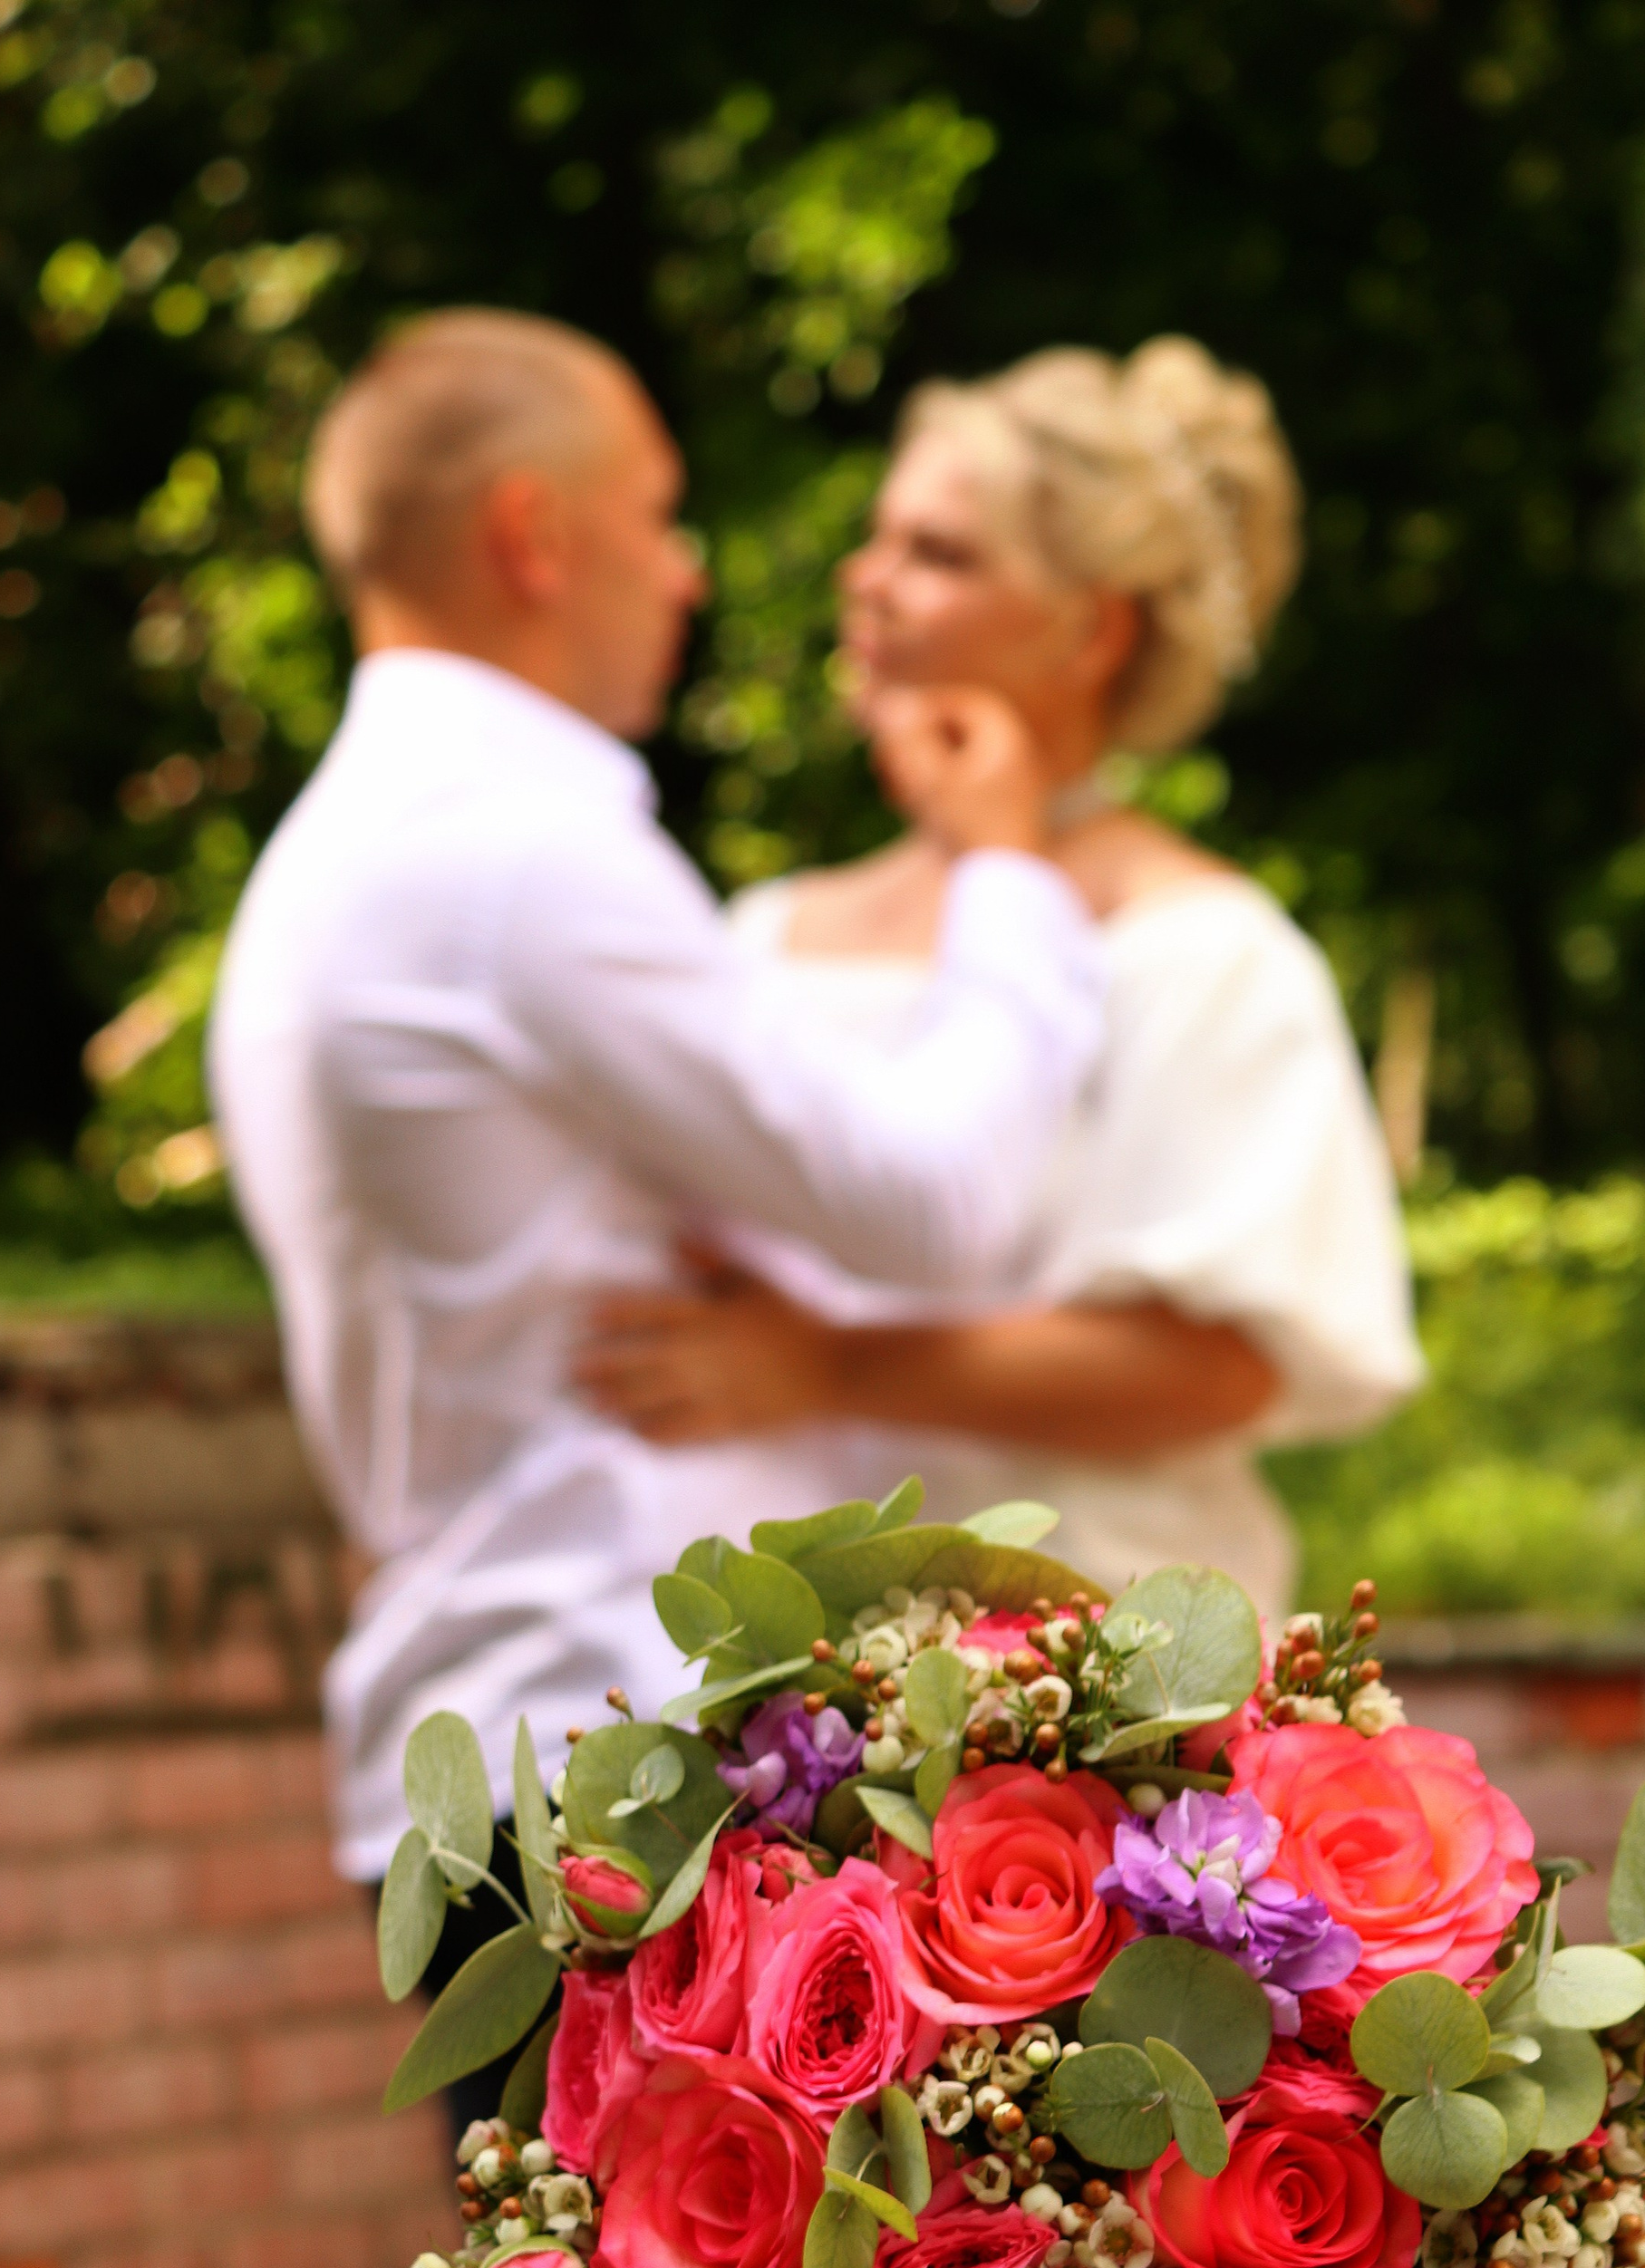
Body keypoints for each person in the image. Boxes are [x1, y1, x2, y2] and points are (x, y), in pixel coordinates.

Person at [212, 308, 1108, 1887]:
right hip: (618, 1757)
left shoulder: (331, 858)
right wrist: (1012, 870)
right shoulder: (514, 855)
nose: (688, 569)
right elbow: (927, 1201)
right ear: (533, 534)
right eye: (656, 513)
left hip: (497, 1755)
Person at [573, 339, 1421, 1613]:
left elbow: (1218, 1365)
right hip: (780, 1738)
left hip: (1089, 1715)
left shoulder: (1204, 954)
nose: (868, 583)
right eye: (880, 541)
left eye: (939, 554)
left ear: (1093, 628)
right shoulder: (761, 933)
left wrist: (836, 1368)